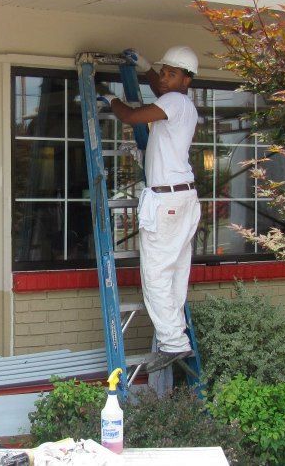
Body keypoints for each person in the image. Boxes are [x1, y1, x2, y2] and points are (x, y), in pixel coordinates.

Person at [97, 46, 201, 372]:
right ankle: (177, 335)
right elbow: (161, 88)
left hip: (167, 202)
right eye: (164, 72)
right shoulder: (182, 104)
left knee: (156, 275)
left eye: (173, 73)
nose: (165, 78)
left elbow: (130, 117)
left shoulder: (174, 102)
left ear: (187, 80)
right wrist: (144, 66)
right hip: (183, 198)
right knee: (176, 272)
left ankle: (173, 343)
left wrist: (110, 99)